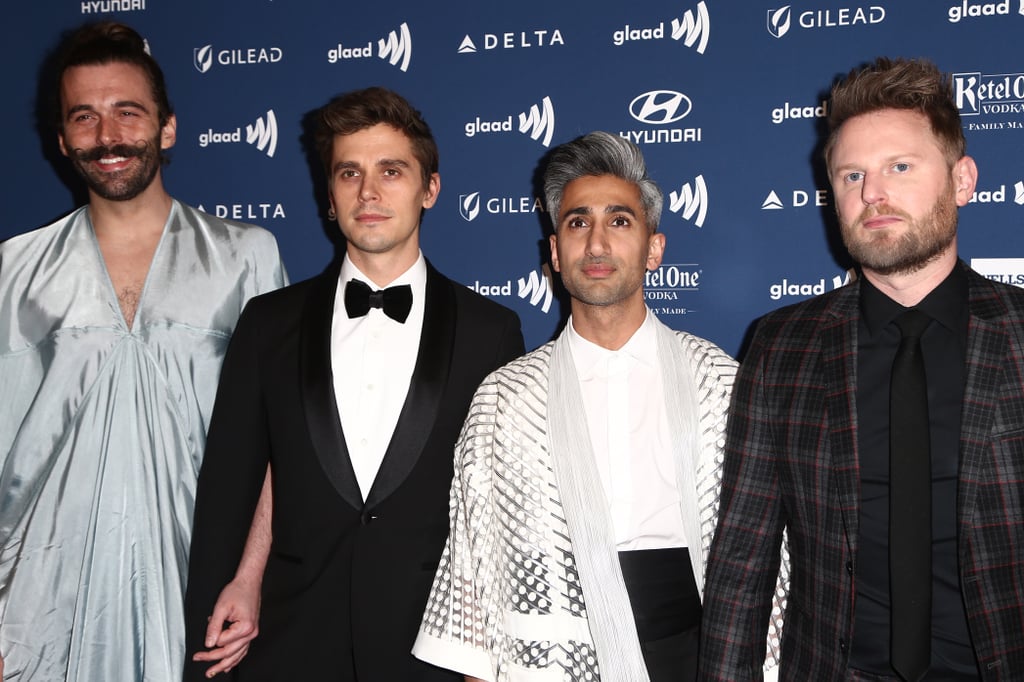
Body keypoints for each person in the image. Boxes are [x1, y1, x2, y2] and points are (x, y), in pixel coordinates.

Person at [412, 131, 786, 682]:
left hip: (698, 654)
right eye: (578, 222)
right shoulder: (505, 398)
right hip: (553, 658)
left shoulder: (719, 381)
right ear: (555, 252)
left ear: (654, 249)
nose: (597, 243)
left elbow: (768, 549)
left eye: (619, 220)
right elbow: (478, 562)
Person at [182, 86, 525, 681]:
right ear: (330, 198)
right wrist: (240, 580)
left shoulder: (490, 332)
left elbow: (500, 508)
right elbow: (241, 477)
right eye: (350, 173)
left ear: (430, 189)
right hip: (290, 640)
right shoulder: (268, 324)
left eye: (391, 171)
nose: (369, 192)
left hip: (432, 648)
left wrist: (491, 649)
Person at [699, 57, 1024, 681]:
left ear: (963, 180)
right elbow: (742, 564)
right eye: (853, 175)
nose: (872, 193)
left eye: (899, 167)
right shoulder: (781, 346)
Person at [0, 21, 287, 681]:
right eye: (85, 117)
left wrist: (252, 578)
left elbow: (281, 443)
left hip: (204, 597)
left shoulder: (246, 256)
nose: (107, 137)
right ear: (62, 137)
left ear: (167, 127)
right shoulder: (11, 271)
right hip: (39, 609)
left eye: (127, 113)